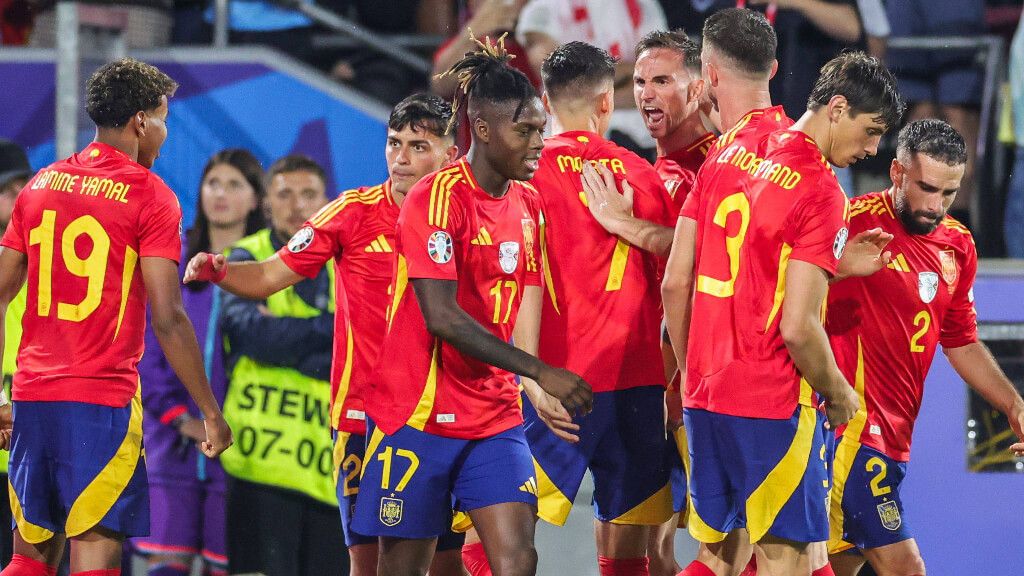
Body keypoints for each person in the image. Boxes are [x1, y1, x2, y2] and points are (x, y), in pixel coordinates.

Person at [183, 94, 467, 576]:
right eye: (394, 143)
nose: (400, 158)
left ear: (451, 155)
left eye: (418, 147)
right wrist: (221, 269)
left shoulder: (471, 216)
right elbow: (270, 276)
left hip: (450, 416)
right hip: (361, 420)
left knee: (452, 561)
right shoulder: (351, 213)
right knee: (368, 563)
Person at [355, 35, 591, 576]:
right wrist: (539, 371)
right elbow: (442, 317)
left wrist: (529, 384)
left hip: (493, 415)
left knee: (517, 559)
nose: (538, 143)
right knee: (405, 568)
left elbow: (521, 301)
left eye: (541, 129)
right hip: (417, 415)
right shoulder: (436, 198)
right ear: (482, 130)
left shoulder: (528, 203)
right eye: (525, 130)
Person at [661, 47, 902, 576]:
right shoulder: (822, 188)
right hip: (772, 404)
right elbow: (797, 327)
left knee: (720, 558)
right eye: (872, 130)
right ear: (837, 108)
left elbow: (677, 281)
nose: (874, 148)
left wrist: (692, 372)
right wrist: (840, 395)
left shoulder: (731, 151)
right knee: (788, 561)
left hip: (708, 394)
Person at [0, 57, 232, 576]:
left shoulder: (40, 185)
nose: (166, 133)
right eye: (165, 119)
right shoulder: (151, 197)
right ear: (142, 122)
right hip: (100, 403)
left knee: (28, 559)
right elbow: (168, 317)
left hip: (33, 398)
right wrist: (210, 411)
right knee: (95, 558)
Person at [825, 119, 1024, 576]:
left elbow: (961, 341)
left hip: (895, 439)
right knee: (905, 568)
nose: (936, 206)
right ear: (896, 172)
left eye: (949, 193)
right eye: (927, 188)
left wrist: (1013, 404)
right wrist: (837, 267)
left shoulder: (958, 246)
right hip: (849, 431)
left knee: (833, 566)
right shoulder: (850, 221)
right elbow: (781, 289)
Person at [514, 41, 677, 576]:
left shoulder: (521, 181)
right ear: (607, 103)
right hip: (634, 380)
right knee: (628, 553)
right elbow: (675, 277)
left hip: (551, 379)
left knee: (501, 535)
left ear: (544, 100)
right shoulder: (641, 175)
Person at [204, 154, 344, 576]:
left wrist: (288, 339)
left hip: (328, 471)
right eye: (284, 194)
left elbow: (363, 349)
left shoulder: (347, 264)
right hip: (259, 461)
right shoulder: (245, 256)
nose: (297, 205)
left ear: (327, 202)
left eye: (308, 195)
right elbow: (252, 335)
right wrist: (331, 329)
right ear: (267, 203)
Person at [134, 149, 266, 576]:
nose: (221, 194)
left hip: (240, 454)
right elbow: (148, 357)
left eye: (234, 185)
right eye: (213, 183)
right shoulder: (168, 262)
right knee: (166, 564)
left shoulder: (269, 273)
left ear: (254, 200)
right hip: (171, 450)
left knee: (225, 566)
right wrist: (181, 419)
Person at [631, 29, 715, 575]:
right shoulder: (654, 167)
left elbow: (709, 257)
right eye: (640, 81)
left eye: (662, 80)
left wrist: (624, 225)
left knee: (736, 544)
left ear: (698, 85)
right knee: (651, 543)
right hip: (656, 383)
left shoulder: (715, 164)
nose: (647, 93)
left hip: (700, 383)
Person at [515, 0, 668, 150]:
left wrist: (588, 89)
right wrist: (629, 72)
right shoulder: (541, 9)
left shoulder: (644, 4)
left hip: (646, 141)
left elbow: (660, 77)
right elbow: (559, 78)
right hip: (573, 145)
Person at [0, 138, 31, 568]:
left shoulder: (48, 259)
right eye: (8, 189)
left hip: (28, 447)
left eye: (25, 186)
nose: (19, 197)